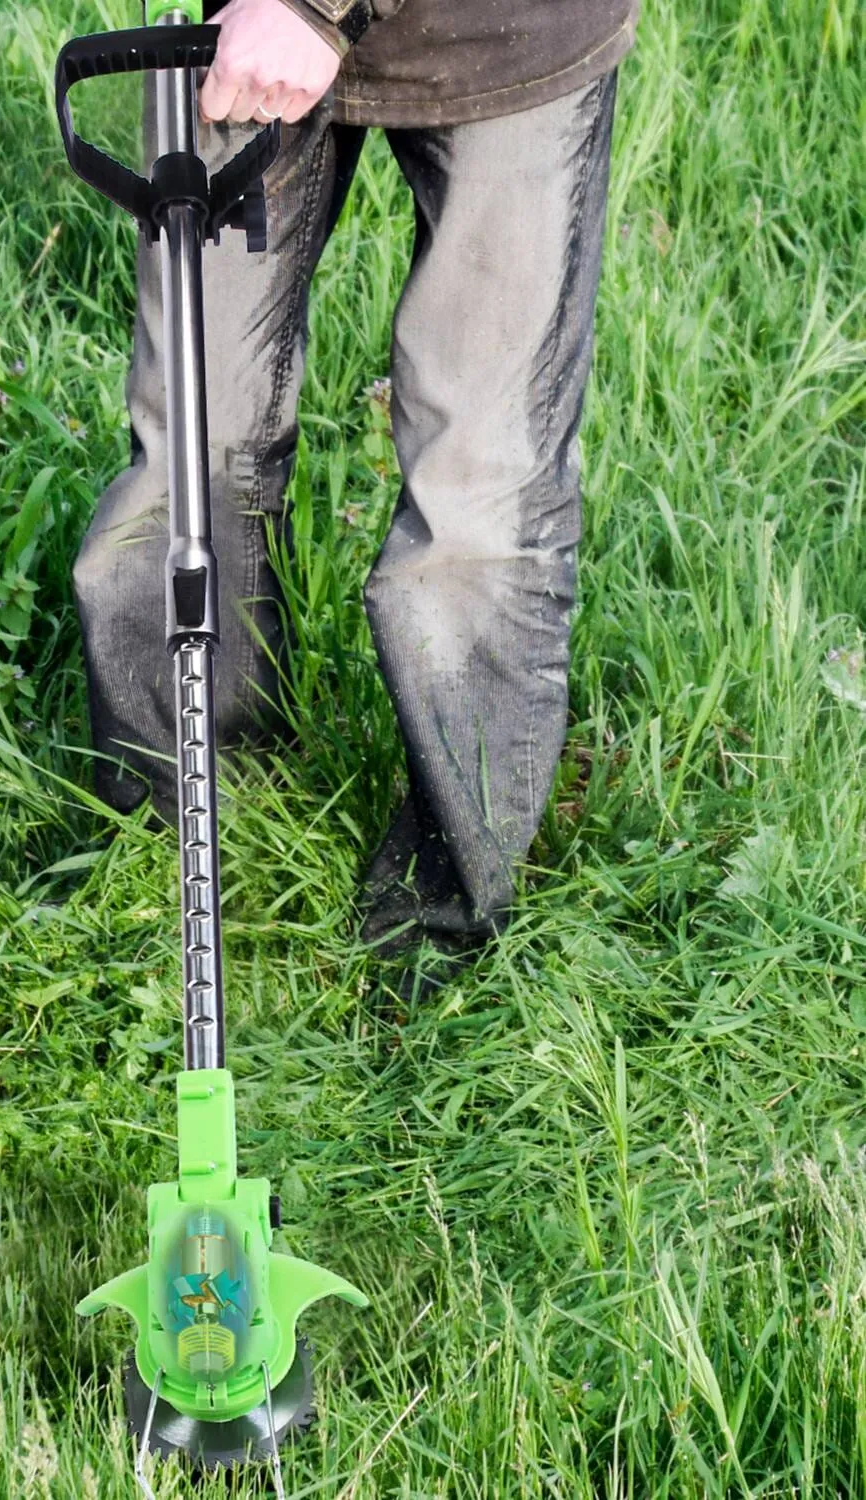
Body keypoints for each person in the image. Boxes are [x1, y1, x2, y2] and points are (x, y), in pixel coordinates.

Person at [73, 0, 638, 979]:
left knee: (478, 509)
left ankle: (435, 939)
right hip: (236, 31)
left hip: (506, 36)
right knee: (185, 461)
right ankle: (175, 834)